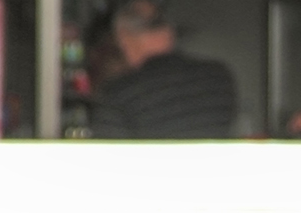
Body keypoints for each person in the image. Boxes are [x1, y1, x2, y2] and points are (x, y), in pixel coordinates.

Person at [90, 0, 238, 140]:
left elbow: (108, 152)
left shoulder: (119, 94)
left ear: (123, 37)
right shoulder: (218, 77)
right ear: (169, 32)